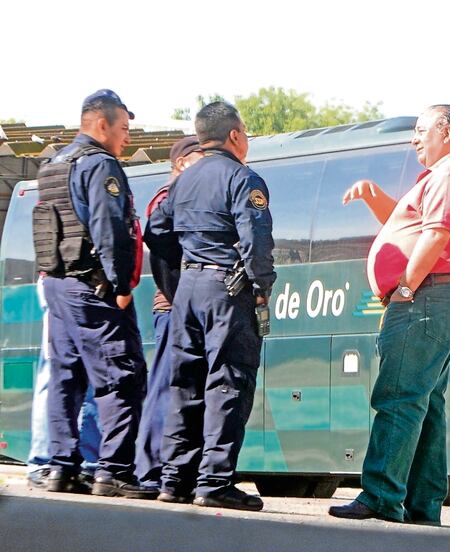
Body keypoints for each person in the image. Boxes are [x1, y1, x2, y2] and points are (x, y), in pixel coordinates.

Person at [329, 105, 450, 525]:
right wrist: (372, 194)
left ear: (446, 131)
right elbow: (409, 225)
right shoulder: (448, 175)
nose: (414, 139)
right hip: (437, 296)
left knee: (399, 395)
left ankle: (381, 495)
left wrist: (405, 287)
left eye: (420, 131)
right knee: (424, 400)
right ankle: (423, 503)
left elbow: (436, 234)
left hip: (426, 298)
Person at [146, 102, 275, 511]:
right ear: (235, 136)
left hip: (187, 290)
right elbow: (255, 239)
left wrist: (178, 279)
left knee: (184, 382)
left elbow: (155, 231)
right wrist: (260, 286)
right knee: (229, 382)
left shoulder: (182, 180)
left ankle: (174, 480)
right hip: (226, 288)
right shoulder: (242, 178)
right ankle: (214, 482)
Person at [32, 89, 152, 498]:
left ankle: (60, 468)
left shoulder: (52, 165)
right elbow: (109, 229)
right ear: (101, 124)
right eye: (123, 128)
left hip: (56, 285)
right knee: (123, 377)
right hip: (91, 287)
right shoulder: (101, 165)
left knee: (66, 378)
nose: (127, 139)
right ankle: (115, 471)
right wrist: (120, 286)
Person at [134, 136, 204, 491]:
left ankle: (178, 471)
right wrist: (178, 295)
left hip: (190, 308)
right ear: (179, 163)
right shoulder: (168, 198)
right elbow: (159, 246)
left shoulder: (196, 196)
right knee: (165, 388)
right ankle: (149, 472)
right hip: (173, 308)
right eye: (198, 158)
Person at [27, 276, 101, 490]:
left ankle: (53, 462)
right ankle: (45, 461)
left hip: (64, 278)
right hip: (67, 279)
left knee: (60, 374)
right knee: (57, 374)